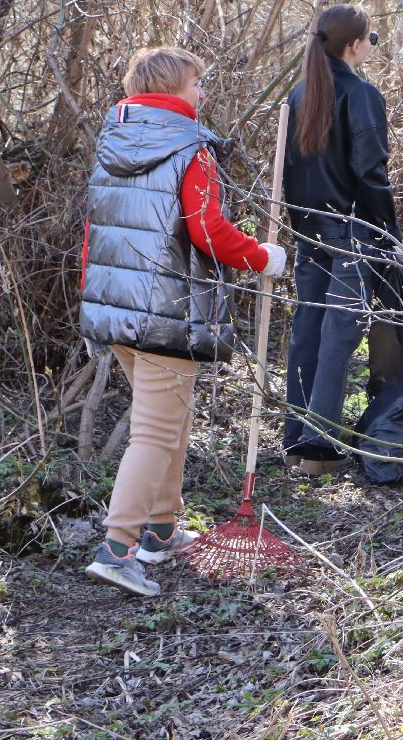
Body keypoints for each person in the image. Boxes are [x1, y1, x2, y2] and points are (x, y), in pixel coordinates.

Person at [79, 46, 288, 597]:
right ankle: (117, 549)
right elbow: (207, 230)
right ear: (173, 89)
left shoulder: (113, 142)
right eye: (198, 84)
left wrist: (94, 300)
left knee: (168, 421)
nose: (203, 94)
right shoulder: (190, 148)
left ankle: (162, 530)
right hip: (167, 311)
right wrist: (263, 257)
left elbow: (95, 229)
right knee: (154, 430)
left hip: (113, 306)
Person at [282, 4, 399, 476]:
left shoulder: (299, 91)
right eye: (373, 38)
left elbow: (289, 170)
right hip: (351, 227)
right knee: (339, 332)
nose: (373, 46)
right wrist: (387, 232)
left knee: (309, 327)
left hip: (307, 227)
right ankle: (319, 446)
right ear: (354, 44)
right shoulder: (360, 93)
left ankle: (297, 437)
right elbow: (372, 172)